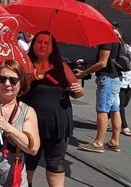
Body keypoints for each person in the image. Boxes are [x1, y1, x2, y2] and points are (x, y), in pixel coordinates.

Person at [20, 32, 84, 187]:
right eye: (39, 42)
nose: (42, 45)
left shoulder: (61, 65)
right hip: (31, 122)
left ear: (52, 47)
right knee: (30, 159)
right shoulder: (25, 64)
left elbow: (77, 93)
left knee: (55, 163)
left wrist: (79, 90)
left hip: (58, 122)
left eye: (47, 43)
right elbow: (18, 92)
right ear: (33, 44)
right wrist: (28, 79)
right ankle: (27, 183)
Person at [76, 23, 122, 152]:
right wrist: (87, 61)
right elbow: (105, 59)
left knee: (102, 110)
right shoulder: (117, 39)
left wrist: (84, 73)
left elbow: (102, 63)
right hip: (116, 78)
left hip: (107, 78)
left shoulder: (107, 40)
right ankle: (114, 140)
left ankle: (98, 142)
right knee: (114, 110)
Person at [119, 63, 131, 137]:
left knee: (125, 103)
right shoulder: (120, 51)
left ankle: (106, 117)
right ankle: (124, 127)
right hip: (120, 80)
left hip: (129, 81)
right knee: (120, 105)